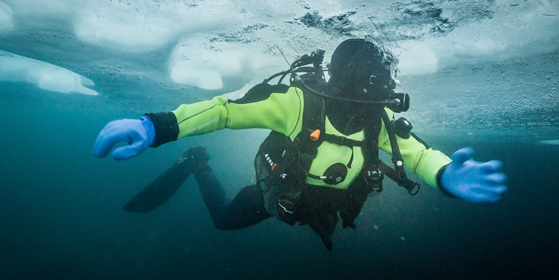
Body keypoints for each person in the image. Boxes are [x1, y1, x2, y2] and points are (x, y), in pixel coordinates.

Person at [93, 38, 506, 250]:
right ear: (358, 82)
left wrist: (447, 173)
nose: (389, 92)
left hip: (322, 208)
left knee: (316, 221)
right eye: (381, 81)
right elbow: (225, 110)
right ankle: (197, 163)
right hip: (278, 194)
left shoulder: (376, 120)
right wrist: (158, 126)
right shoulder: (297, 104)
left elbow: (417, 153)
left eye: (387, 82)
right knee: (222, 218)